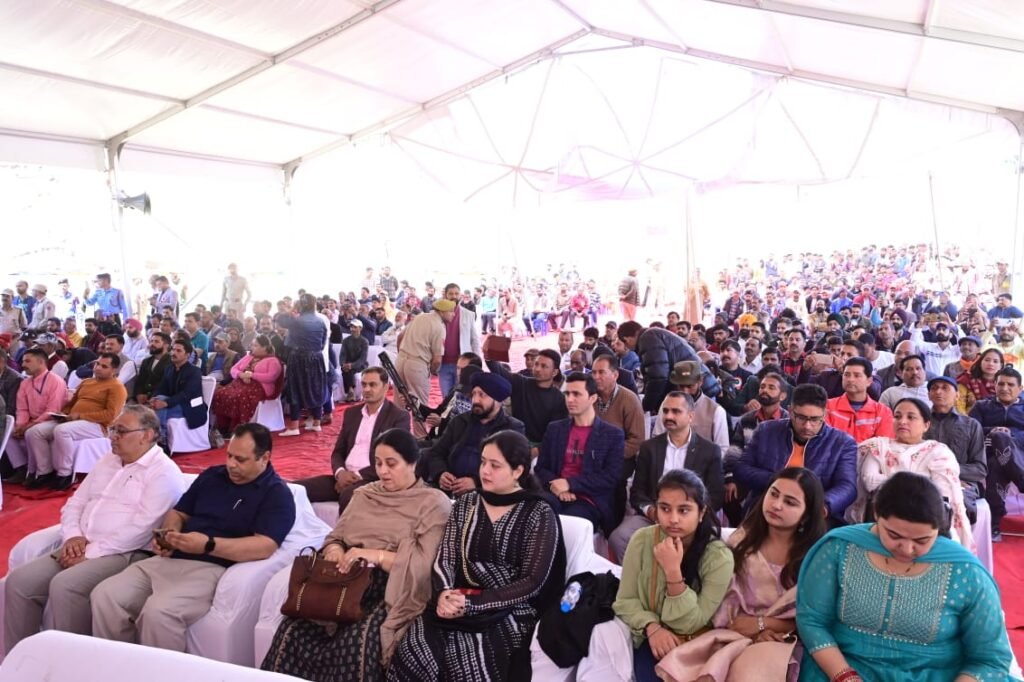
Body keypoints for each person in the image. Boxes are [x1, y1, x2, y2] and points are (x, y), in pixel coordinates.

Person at [262, 429, 450, 681]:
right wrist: (335, 551)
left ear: (413, 463)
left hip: (389, 588)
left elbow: (424, 564)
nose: (383, 471)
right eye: (378, 463)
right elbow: (335, 537)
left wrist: (374, 555)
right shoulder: (365, 494)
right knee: (293, 630)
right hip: (342, 579)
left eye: (391, 464)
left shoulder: (433, 503)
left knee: (358, 642)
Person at [91, 423, 296, 652]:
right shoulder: (212, 476)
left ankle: (160, 671)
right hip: (168, 560)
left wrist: (208, 545)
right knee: (105, 596)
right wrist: (170, 534)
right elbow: (179, 513)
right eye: (229, 455)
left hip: (211, 568)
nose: (231, 464)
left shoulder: (276, 493)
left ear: (264, 458)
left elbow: (264, 545)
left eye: (240, 459)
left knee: (159, 613)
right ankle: (119, 665)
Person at [796, 472, 1014, 681]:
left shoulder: (965, 571)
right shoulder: (839, 548)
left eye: (922, 541)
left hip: (938, 675)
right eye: (894, 535)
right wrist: (845, 676)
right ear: (876, 514)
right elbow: (813, 621)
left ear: (939, 529)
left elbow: (990, 658)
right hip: (841, 667)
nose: (907, 549)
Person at [4, 406, 187, 652]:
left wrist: (89, 552)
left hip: (125, 552)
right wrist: (73, 536)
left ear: (147, 435)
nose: (113, 437)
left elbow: (142, 529)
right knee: (19, 582)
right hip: (79, 543)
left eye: (121, 431)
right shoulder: (108, 460)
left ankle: (73, 665)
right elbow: (76, 503)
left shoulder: (164, 472)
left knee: (66, 585)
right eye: (113, 430)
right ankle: (19, 659)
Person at [388, 430, 567, 681]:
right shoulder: (467, 503)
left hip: (508, 609)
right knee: (414, 651)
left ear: (518, 471)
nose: (485, 471)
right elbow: (446, 557)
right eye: (483, 462)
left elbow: (532, 580)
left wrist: (475, 604)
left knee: (467, 662)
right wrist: (444, 593)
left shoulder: (538, 512)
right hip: (454, 601)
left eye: (495, 465)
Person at [655, 467, 828, 682]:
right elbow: (721, 601)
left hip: (783, 641)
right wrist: (750, 628)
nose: (776, 505)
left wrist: (763, 624)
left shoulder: (816, 558)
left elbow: (814, 619)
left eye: (790, 502)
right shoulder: (740, 542)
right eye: (773, 494)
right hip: (731, 631)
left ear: (806, 515)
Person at [612, 469, 735, 682]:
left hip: (697, 643)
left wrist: (672, 572)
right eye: (665, 509)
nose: (673, 519)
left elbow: (692, 623)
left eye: (684, 510)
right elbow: (625, 601)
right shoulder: (642, 540)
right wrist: (652, 627)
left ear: (702, 513)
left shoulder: (719, 557)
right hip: (650, 638)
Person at [844, 398, 974, 549]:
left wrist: (892, 482)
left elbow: (941, 493)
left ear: (926, 425)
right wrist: (919, 483)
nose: (902, 421)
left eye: (911, 417)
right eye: (897, 416)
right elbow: (870, 481)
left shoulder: (938, 452)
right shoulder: (878, 446)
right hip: (882, 519)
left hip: (926, 521)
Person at [611, 392, 724, 561]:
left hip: (691, 519)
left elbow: (715, 497)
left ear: (690, 416)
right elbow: (637, 493)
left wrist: (687, 516)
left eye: (676, 411)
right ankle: (639, 574)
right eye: (665, 411)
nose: (669, 416)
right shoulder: (649, 448)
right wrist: (652, 511)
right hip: (654, 517)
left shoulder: (709, 451)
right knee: (619, 538)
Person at [736, 383, 857, 526]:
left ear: (825, 414)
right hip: (766, 507)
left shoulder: (842, 443)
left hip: (815, 516)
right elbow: (742, 468)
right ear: (790, 411)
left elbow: (847, 487)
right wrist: (782, 482)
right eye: (801, 418)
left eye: (815, 419)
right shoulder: (766, 431)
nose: (807, 426)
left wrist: (821, 505)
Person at [295, 367, 411, 509]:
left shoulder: (398, 417)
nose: (367, 389)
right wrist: (340, 473)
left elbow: (394, 458)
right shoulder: (352, 413)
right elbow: (338, 452)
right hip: (343, 476)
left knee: (348, 496)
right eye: (364, 384)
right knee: (295, 489)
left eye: (372, 385)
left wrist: (355, 476)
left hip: (373, 479)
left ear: (385, 387)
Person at [534, 372, 625, 534]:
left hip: (590, 498)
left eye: (576, 394)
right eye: (567, 394)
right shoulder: (555, 429)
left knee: (566, 527)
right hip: (554, 492)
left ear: (592, 398)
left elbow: (610, 477)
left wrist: (570, 484)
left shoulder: (612, 435)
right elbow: (541, 467)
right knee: (532, 518)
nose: (569, 399)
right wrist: (558, 486)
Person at [25, 352, 127, 490]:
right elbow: (71, 404)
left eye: (104, 366)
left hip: (98, 426)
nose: (98, 368)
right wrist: (63, 413)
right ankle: (44, 472)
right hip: (73, 420)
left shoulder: (117, 387)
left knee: (62, 431)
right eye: (97, 364)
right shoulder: (87, 382)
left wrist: (79, 416)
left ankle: (64, 474)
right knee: (33, 432)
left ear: (114, 370)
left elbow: (111, 415)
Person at [424, 372, 524, 493]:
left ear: (498, 400)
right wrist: (441, 473)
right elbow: (436, 453)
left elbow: (509, 468)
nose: (475, 400)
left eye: (482, 395)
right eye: (474, 394)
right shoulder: (459, 421)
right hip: (449, 488)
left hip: (487, 492)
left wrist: (476, 482)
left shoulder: (512, 428)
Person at [968, 365, 1024, 542]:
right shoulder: (982, 406)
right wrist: (992, 430)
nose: (1005, 388)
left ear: (1020, 388)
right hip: (990, 451)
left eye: (1010, 384)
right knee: (997, 446)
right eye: (1001, 384)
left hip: (1020, 452)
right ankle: (1021, 480)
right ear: (995, 385)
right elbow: (971, 429)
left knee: (997, 460)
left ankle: (994, 525)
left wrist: (1011, 435)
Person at [925, 376, 986, 522]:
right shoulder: (920, 422)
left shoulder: (971, 425)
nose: (938, 392)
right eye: (934, 388)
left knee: (957, 502)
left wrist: (950, 474)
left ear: (957, 395)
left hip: (961, 481)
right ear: (929, 395)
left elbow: (980, 469)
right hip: (925, 480)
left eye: (945, 388)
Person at [7, 348, 67, 486]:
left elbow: (53, 410)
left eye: (28, 361)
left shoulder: (55, 381)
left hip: (54, 420)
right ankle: (22, 468)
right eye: (23, 361)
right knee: (7, 431)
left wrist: (29, 425)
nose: (23, 365)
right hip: (32, 421)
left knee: (33, 432)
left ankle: (43, 472)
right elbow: (22, 409)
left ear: (41, 362)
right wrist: (20, 425)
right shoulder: (25, 383)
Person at [396, 299, 455, 436]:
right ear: (442, 311)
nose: (453, 314)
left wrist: (402, 354)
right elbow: (437, 359)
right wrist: (433, 371)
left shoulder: (420, 317)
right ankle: (420, 438)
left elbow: (400, 336)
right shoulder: (439, 327)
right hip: (417, 364)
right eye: (451, 311)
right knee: (419, 405)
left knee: (399, 403)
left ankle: (397, 436)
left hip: (401, 360)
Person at [486, 349, 568, 446]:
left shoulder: (559, 399)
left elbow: (556, 432)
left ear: (554, 372)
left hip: (541, 447)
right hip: (514, 442)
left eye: (544, 366)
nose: (537, 369)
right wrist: (489, 354)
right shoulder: (521, 383)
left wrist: (539, 449)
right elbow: (499, 371)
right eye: (536, 364)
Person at [210, 334, 283, 436]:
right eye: (252, 345)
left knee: (240, 396)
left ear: (265, 347)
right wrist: (241, 375)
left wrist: (252, 375)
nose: (252, 347)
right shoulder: (249, 356)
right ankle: (223, 426)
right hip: (239, 383)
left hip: (259, 387)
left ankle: (238, 428)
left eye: (255, 345)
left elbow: (271, 377)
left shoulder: (273, 360)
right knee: (220, 393)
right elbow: (233, 369)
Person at [279, 294, 329, 436]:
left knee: (295, 389)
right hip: (316, 357)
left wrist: (291, 310)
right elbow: (323, 342)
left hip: (299, 358)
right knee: (316, 388)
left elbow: (281, 320)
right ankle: (316, 423)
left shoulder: (297, 321)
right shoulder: (321, 321)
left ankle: (294, 426)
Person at [149, 339, 207, 446]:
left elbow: (187, 394)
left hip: (190, 406)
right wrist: (154, 398)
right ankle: (159, 438)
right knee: (157, 402)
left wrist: (166, 403)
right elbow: (161, 387)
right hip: (174, 403)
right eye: (173, 349)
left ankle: (161, 439)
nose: (173, 353)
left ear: (187, 355)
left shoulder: (194, 371)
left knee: (159, 408)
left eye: (178, 351)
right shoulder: (169, 369)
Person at [825, 357, 894, 443]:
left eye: (857, 375)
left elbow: (883, 445)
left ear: (869, 381)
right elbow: (826, 442)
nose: (850, 379)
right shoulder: (828, 406)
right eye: (846, 375)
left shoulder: (883, 412)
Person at [437, 284, 481, 398]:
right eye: (451, 294)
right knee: (446, 397)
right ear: (445, 295)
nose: (454, 296)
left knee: (462, 397)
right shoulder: (438, 315)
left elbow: (474, 340)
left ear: (460, 295)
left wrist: (477, 362)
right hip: (443, 364)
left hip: (462, 364)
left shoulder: (469, 314)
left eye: (456, 293)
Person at [956, 346, 1003, 414]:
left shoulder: (1005, 383)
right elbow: (958, 407)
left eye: (995, 361)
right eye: (987, 360)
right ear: (980, 362)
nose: (990, 364)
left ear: (1001, 365)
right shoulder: (966, 380)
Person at [340, 318, 369, 402]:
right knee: (346, 369)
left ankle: (350, 390)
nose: (352, 329)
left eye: (355, 327)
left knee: (349, 370)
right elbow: (342, 355)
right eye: (351, 327)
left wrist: (352, 365)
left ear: (360, 328)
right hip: (348, 363)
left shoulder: (364, 341)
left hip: (360, 364)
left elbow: (363, 359)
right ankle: (351, 391)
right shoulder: (346, 341)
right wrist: (343, 364)